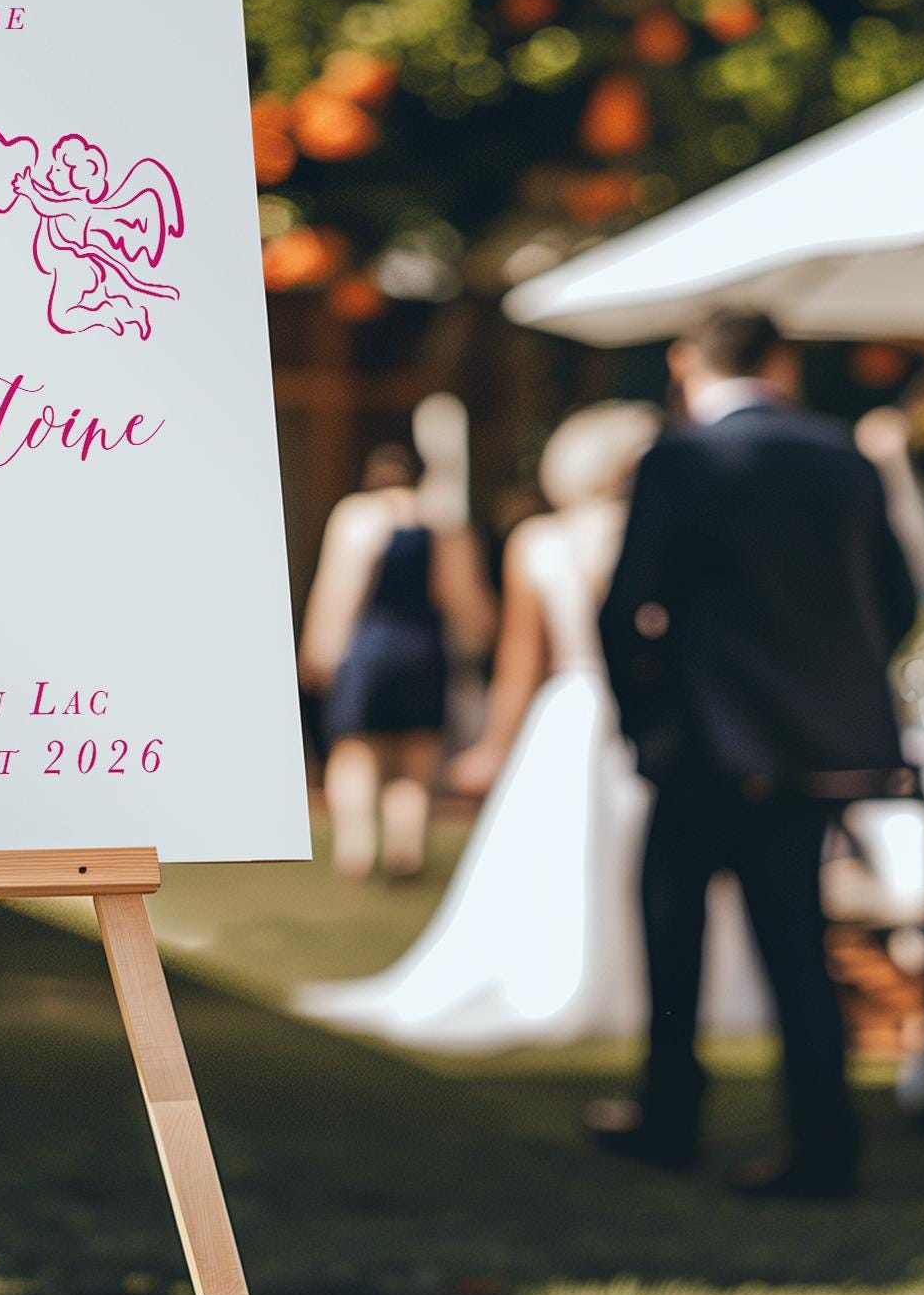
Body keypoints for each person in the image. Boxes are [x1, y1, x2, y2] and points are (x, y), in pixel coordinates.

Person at [293, 403, 770, 1045]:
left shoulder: (542, 542)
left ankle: (369, 852)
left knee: (557, 854)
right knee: (661, 859)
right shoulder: (680, 534)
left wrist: (495, 742)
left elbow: (522, 662)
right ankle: (664, 992)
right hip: (662, 717)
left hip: (574, 711)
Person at [590, 310, 919, 1199]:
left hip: (704, 743)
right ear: (782, 362)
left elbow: (627, 608)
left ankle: (669, 1119)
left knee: (672, 932)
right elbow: (896, 597)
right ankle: (825, 1143)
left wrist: (646, 724)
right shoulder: (845, 457)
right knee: (797, 945)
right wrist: (830, 693)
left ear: (683, 363)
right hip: (809, 752)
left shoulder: (682, 457)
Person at [298, 442, 494, 879]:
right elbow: (463, 599)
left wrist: (318, 650)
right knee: (417, 754)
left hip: (368, 648)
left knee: (356, 751)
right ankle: (406, 848)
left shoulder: (358, 514)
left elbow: (339, 588)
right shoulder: (442, 521)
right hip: (423, 647)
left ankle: (358, 848)